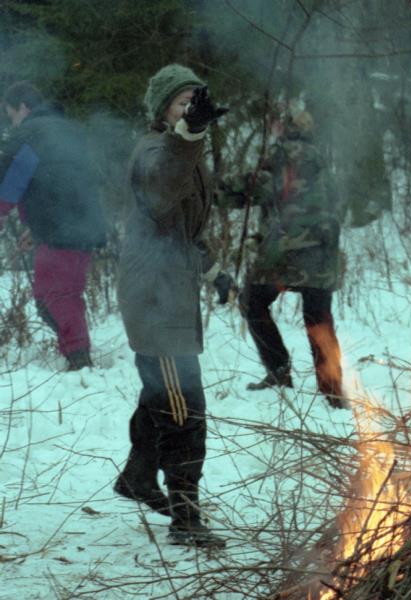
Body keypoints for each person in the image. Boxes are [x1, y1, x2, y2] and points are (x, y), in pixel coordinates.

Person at [114, 64, 231, 548]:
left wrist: (214, 271)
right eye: (182, 102)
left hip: (172, 292)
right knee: (184, 406)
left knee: (161, 396)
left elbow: (182, 226)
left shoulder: (184, 150)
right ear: (163, 109)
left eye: (194, 101)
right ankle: (186, 516)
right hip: (155, 300)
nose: (190, 109)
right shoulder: (153, 150)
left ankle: (138, 478)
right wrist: (190, 133)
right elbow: (162, 192)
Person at [223, 106, 348, 409]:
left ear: (284, 127)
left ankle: (278, 371)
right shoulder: (322, 162)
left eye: (276, 123)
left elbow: (250, 189)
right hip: (322, 256)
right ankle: (332, 389)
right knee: (318, 318)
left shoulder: (278, 156)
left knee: (252, 302)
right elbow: (338, 203)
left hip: (283, 255)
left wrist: (214, 188)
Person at [0, 81, 107, 370]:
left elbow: (11, 183)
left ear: (23, 107)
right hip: (85, 226)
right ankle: (79, 354)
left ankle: (79, 359)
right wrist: (34, 227)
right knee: (68, 294)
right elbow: (64, 181)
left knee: (51, 297)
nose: (13, 122)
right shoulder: (70, 130)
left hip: (60, 231)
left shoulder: (30, 134)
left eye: (11, 114)